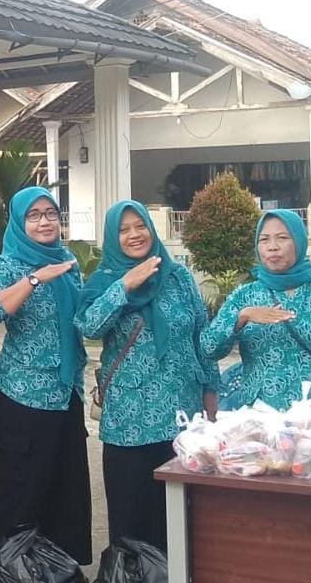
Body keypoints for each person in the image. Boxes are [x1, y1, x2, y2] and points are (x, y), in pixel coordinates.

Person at [74, 200, 218, 554]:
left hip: (182, 416)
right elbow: (89, 326)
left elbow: (202, 336)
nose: (134, 235)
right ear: (112, 237)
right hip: (130, 421)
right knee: (133, 520)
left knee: (182, 518)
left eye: (140, 226)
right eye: (124, 230)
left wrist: (211, 394)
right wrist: (124, 286)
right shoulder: (104, 280)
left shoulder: (177, 276)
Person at [0, 186, 91, 565]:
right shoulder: (8, 265)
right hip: (24, 397)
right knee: (21, 491)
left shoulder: (68, 261)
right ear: (20, 221)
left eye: (51, 214)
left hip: (66, 393)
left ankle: (59, 568)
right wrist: (34, 279)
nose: (44, 222)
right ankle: (13, 566)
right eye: (34, 215)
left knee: (64, 489)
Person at [202, 210, 311, 413]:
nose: (272, 246)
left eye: (282, 238)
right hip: (261, 415)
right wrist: (242, 317)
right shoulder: (244, 296)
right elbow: (209, 348)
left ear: (299, 242)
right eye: (264, 239)